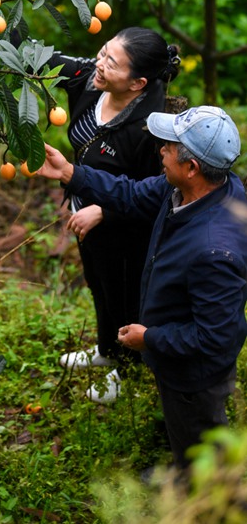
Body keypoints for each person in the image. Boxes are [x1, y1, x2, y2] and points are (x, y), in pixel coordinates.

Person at [37, 105, 247, 470]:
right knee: (183, 426)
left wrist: (149, 338)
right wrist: (71, 173)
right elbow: (131, 194)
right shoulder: (190, 190)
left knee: (199, 427)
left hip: (194, 373)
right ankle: (182, 463)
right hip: (174, 355)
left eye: (168, 147)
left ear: (192, 167)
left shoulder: (215, 250)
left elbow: (215, 339)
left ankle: (201, 493)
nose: (160, 151)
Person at [45, 27, 181, 403]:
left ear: (137, 82)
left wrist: (103, 211)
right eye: (103, 53)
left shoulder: (149, 127)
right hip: (84, 211)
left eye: (111, 63)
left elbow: (151, 191)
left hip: (125, 228)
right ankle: (107, 350)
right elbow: (43, 59)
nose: (99, 65)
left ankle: (127, 371)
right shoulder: (93, 81)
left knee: (125, 294)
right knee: (99, 284)